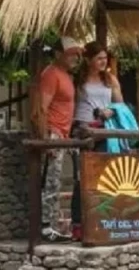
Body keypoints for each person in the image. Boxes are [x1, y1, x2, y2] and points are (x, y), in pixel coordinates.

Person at [70, 43, 125, 239]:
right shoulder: (78, 79)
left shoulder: (110, 79)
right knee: (82, 177)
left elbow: (121, 105)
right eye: (99, 58)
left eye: (105, 58)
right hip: (83, 126)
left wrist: (112, 111)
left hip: (105, 128)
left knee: (105, 176)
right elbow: (70, 103)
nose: (103, 62)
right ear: (89, 59)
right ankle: (78, 223)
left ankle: (103, 220)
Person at [35, 37, 82, 243]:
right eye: (71, 53)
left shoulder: (66, 76)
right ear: (58, 54)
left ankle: (53, 224)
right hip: (53, 133)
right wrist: (46, 139)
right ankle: (46, 226)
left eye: (77, 54)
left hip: (64, 134)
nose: (75, 57)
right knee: (51, 181)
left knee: (60, 181)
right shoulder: (51, 74)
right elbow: (42, 108)